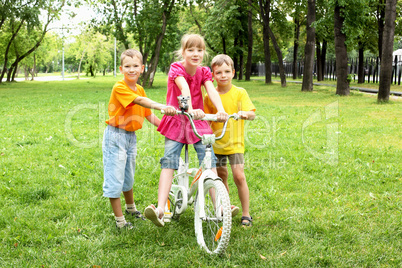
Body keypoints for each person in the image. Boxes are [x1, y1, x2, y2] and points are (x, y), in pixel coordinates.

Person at [144, 34, 228, 227]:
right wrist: (189, 109)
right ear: (183, 52)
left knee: (209, 161)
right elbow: (184, 88)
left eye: (199, 50)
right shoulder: (176, 68)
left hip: (197, 121)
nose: (195, 54)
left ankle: (218, 207)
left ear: (204, 52)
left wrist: (221, 111)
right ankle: (160, 208)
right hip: (177, 120)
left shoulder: (205, 71)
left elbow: (211, 91)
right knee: (169, 162)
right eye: (190, 50)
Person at [103, 49, 175, 229]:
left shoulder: (140, 88)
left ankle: (131, 208)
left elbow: (148, 115)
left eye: (135, 66)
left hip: (130, 137)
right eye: (127, 66)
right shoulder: (120, 87)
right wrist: (162, 106)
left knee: (128, 174)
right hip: (116, 137)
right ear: (121, 68)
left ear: (142, 68)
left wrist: (167, 130)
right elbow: (140, 102)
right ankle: (120, 221)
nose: (131, 69)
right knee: (115, 176)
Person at [204, 54, 256, 227]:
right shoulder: (209, 96)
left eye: (227, 71)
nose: (223, 75)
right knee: (221, 177)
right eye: (219, 72)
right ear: (213, 75)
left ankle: (246, 213)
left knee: (239, 176)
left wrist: (244, 114)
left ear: (233, 72)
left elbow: (252, 113)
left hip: (235, 145)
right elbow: (205, 118)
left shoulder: (240, 93)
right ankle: (226, 207)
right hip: (216, 144)